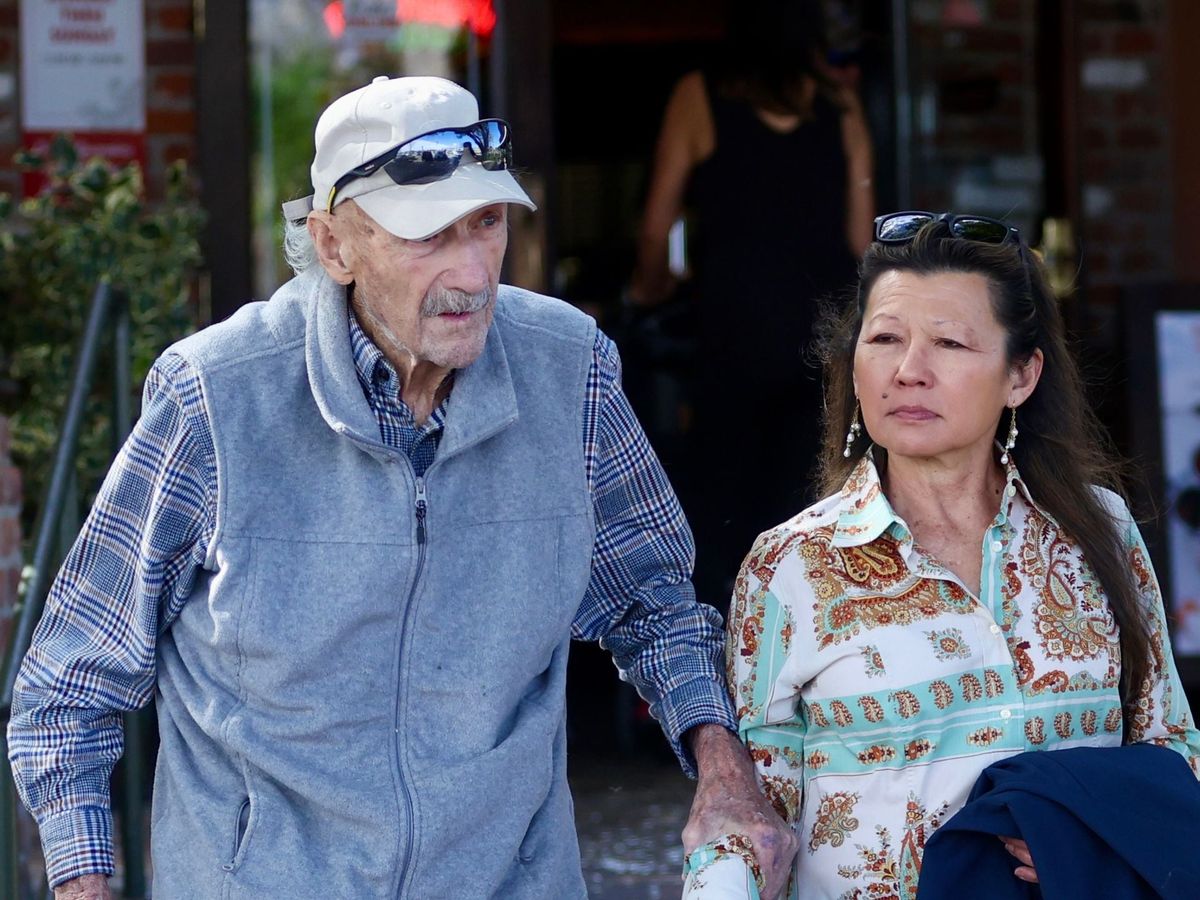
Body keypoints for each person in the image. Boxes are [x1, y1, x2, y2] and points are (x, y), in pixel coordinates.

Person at [7, 76, 795, 900]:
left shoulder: (572, 370)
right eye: (427, 237)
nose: (471, 272)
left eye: (486, 224)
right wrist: (82, 884)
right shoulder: (215, 397)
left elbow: (654, 606)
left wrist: (725, 771)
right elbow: (69, 688)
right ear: (334, 246)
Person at [682, 212, 1200, 899]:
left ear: (1021, 376)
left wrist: (1085, 845)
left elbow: (1171, 749)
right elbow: (757, 824)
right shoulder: (794, 567)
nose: (909, 371)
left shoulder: (1096, 531)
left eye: (950, 343)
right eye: (885, 338)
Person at [629, 0, 874, 612]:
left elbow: (656, 227)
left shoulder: (698, 95)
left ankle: (732, 675)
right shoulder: (839, 107)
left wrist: (648, 290)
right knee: (818, 515)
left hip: (733, 338)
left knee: (725, 526)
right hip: (824, 343)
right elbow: (861, 241)